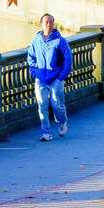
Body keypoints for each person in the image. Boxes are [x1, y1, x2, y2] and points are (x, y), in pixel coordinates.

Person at [27, 13, 72, 141]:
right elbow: (31, 57)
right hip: (41, 79)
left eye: (50, 22)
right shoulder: (36, 40)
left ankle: (62, 123)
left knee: (56, 104)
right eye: (46, 22)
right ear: (41, 24)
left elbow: (67, 60)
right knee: (42, 105)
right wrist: (35, 72)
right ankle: (46, 132)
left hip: (56, 78)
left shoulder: (60, 41)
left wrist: (61, 76)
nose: (48, 25)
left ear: (53, 24)